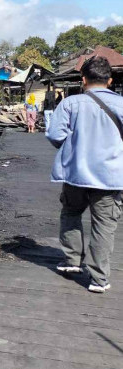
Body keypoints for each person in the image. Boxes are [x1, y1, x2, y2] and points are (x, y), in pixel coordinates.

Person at [46, 56, 123, 293]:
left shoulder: (71, 103)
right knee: (104, 226)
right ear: (109, 80)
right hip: (111, 176)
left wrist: (73, 147)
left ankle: (71, 261)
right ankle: (99, 278)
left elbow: (55, 135)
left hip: (76, 173)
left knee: (70, 213)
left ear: (83, 80)